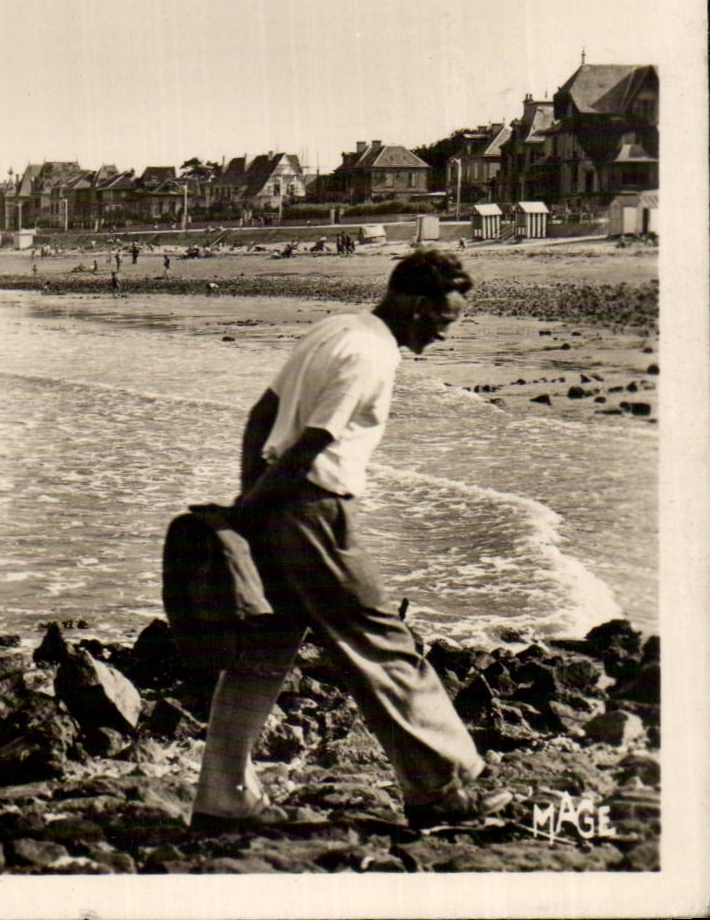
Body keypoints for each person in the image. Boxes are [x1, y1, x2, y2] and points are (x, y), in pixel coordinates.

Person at [190, 248, 512, 833]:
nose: (444, 334)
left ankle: (221, 797)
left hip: (278, 503)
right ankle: (442, 790)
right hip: (314, 510)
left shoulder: (334, 329)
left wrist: (249, 501)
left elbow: (262, 415)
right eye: (443, 320)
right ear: (415, 305)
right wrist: (251, 511)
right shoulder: (372, 354)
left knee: (263, 652)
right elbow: (311, 444)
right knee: (382, 643)